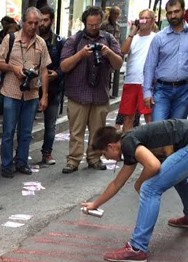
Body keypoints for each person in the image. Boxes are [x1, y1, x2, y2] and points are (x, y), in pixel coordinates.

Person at [84, 120, 188, 262]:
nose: (106, 158)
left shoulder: (128, 142)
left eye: (104, 153)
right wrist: (95, 204)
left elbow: (153, 165)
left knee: (149, 188)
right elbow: (117, 182)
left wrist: (140, 183)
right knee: (178, 177)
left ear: (111, 146)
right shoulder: (130, 142)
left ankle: (137, 248)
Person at [59, 5, 123, 174]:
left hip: (100, 94)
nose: (93, 28)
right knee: (76, 131)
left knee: (97, 131)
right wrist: (80, 55)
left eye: (96, 24)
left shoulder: (108, 39)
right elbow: (64, 66)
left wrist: (108, 53)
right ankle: (73, 160)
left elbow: (118, 64)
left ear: (101, 22)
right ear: (84, 23)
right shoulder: (74, 40)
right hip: (78, 94)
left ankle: (94, 158)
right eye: (90, 25)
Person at [0, 7, 50, 178]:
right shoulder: (10, 39)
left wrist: (45, 95)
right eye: (30, 23)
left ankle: (22, 162)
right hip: (11, 92)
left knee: (26, 132)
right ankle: (6, 165)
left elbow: (44, 70)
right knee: (8, 131)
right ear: (23, 22)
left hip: (31, 94)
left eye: (36, 23)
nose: (33, 26)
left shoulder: (41, 43)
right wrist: (13, 68)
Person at [143, 0, 188, 122]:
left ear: (184, 11)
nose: (173, 15)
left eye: (176, 11)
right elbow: (150, 65)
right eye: (169, 13)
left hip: (185, 90)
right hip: (161, 90)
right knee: (158, 128)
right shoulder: (159, 37)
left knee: (176, 131)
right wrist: (147, 92)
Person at [118, 9, 156, 132]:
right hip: (131, 80)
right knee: (128, 117)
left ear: (153, 20)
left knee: (149, 117)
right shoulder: (133, 38)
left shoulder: (156, 38)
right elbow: (123, 51)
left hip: (147, 82)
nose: (143, 21)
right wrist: (132, 32)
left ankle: (153, 146)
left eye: (146, 18)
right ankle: (127, 146)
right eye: (141, 18)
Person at [37, 5, 65, 166]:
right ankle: (20, 155)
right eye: (40, 20)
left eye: (45, 20)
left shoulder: (59, 42)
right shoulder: (31, 38)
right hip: (32, 88)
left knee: (50, 124)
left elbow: (65, 64)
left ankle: (47, 153)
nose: (42, 24)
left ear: (52, 20)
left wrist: (57, 73)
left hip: (53, 88)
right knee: (24, 126)